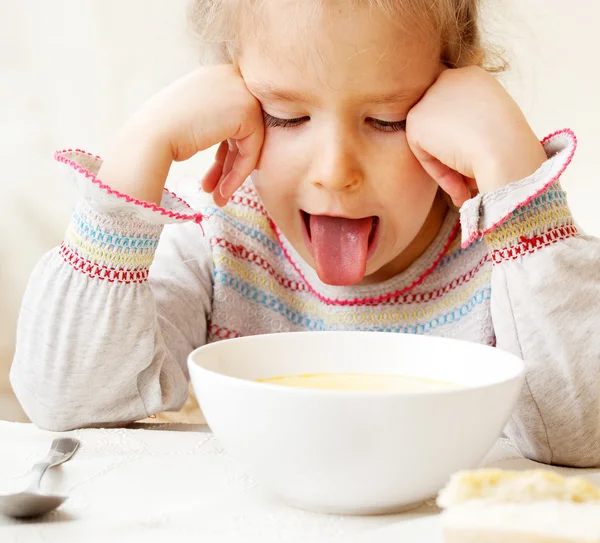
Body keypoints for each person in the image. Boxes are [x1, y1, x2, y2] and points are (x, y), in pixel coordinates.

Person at [10, 0, 600, 467]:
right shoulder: (220, 238)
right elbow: (67, 402)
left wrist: (520, 185)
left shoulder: (511, 255)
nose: (334, 172)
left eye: (386, 120)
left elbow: (583, 436)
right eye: (284, 116)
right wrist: (141, 149)